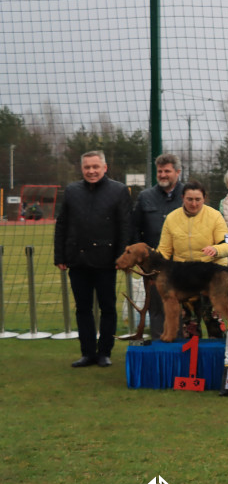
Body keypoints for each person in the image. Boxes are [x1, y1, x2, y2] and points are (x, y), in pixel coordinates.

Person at [54, 151, 132, 368]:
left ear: (105, 168)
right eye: (87, 167)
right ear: (82, 168)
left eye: (95, 167)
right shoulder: (71, 191)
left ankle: (105, 352)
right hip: (77, 260)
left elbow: (125, 227)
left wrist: (122, 257)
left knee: (108, 308)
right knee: (82, 308)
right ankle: (87, 353)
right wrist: (59, 256)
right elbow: (62, 224)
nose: (91, 171)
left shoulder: (118, 191)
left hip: (107, 260)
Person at [157, 180, 228, 337]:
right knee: (190, 326)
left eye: (198, 199)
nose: (194, 204)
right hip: (184, 278)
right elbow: (164, 250)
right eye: (189, 199)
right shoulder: (171, 218)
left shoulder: (215, 216)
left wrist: (215, 249)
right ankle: (191, 357)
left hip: (212, 276)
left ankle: (219, 353)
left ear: (204, 198)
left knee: (214, 323)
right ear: (182, 198)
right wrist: (153, 264)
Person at [130, 152, 184, 338]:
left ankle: (181, 346)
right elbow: (135, 228)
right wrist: (140, 257)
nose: (162, 175)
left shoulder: (188, 196)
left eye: (167, 171)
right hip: (153, 266)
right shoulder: (145, 197)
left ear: (177, 172)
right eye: (160, 171)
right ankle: (159, 347)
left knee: (182, 307)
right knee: (156, 307)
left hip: (181, 264)